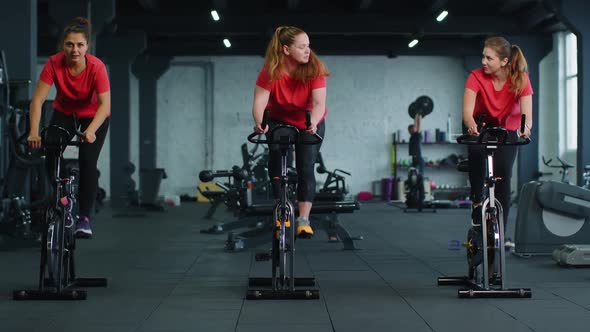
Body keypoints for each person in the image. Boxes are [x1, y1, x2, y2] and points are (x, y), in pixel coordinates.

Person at [27, 17, 111, 239]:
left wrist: (91, 130)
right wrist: (34, 132)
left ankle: (84, 218)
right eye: (70, 45)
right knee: (51, 154)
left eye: (80, 45)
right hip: (64, 113)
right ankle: (63, 196)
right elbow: (37, 101)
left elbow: (105, 105)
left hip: (94, 116)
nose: (75, 50)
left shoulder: (96, 67)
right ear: (63, 46)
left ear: (87, 47)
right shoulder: (54, 64)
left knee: (87, 161)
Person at [251, 26, 329, 238]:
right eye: (302, 47)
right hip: (278, 120)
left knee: (306, 166)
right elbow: (259, 102)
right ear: (286, 49)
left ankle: (303, 219)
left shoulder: (314, 67)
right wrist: (260, 123)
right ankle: (282, 213)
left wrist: (312, 122)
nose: (307, 51)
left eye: (308, 46)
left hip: (308, 120)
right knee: (276, 162)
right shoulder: (270, 71)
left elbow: (319, 103)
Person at [462, 36, 532, 248]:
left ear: (504, 62)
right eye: (483, 56)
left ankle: (500, 231)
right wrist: (471, 125)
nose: (483, 61)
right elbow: (467, 110)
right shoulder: (475, 76)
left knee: (504, 177)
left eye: (489, 58)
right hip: (479, 123)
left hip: (507, 129)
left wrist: (525, 129)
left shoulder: (520, 79)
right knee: (476, 155)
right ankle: (476, 201)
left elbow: (527, 115)